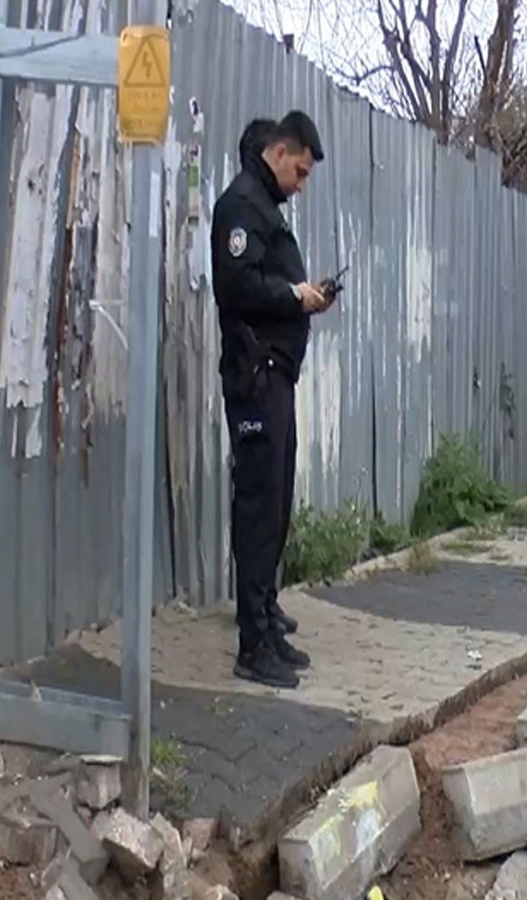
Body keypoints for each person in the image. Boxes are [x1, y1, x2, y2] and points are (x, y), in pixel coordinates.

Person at [211, 111, 335, 688]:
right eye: (301, 172)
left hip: (274, 377)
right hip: (255, 378)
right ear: (281, 153)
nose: (301, 184)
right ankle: (252, 644)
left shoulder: (263, 208)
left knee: (276, 501)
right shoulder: (241, 206)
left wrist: (305, 298)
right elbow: (236, 286)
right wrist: (294, 295)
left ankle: (265, 621)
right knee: (258, 505)